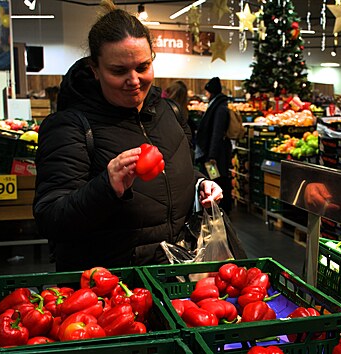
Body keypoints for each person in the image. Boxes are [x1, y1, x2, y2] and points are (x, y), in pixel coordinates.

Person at [33, 0, 223, 271]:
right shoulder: (69, 126)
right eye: (118, 71)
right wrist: (106, 186)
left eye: (143, 67)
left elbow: (178, 172)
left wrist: (200, 184)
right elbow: (50, 218)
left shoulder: (169, 112)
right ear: (95, 70)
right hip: (109, 290)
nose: (134, 80)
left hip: (173, 275)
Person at [195, 77, 233, 214]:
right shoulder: (216, 105)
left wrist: (212, 156)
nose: (206, 94)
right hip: (215, 152)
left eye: (207, 92)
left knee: (217, 178)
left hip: (216, 155)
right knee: (215, 177)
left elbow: (216, 133)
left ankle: (222, 207)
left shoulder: (220, 108)